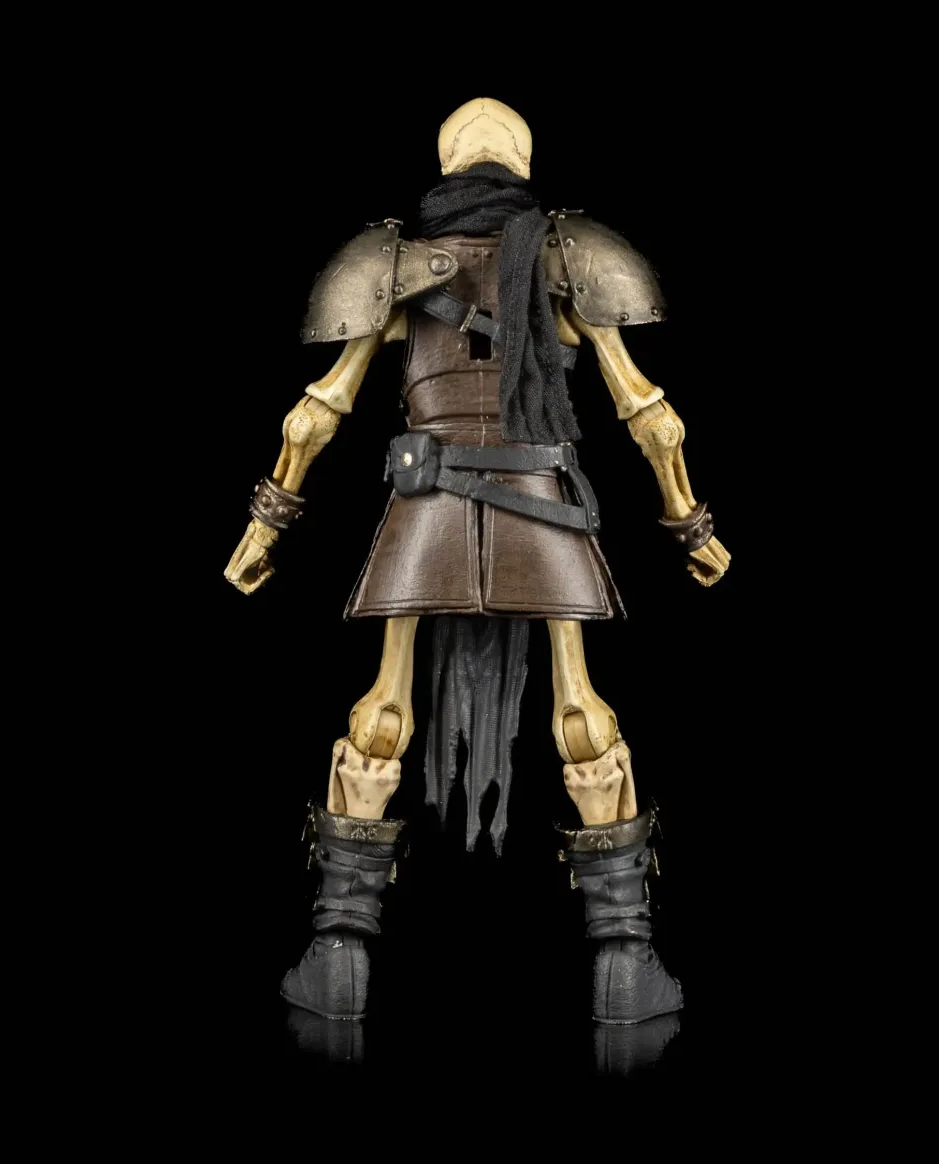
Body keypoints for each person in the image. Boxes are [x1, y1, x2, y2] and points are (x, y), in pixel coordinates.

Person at [224, 97, 730, 1025]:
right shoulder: (572, 256)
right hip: (544, 496)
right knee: (583, 717)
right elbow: (650, 414)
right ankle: (625, 966)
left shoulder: (387, 265)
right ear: (524, 163)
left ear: (446, 161)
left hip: (426, 499)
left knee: (381, 718)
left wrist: (265, 528)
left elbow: (314, 414)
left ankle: (338, 958)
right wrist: (692, 528)